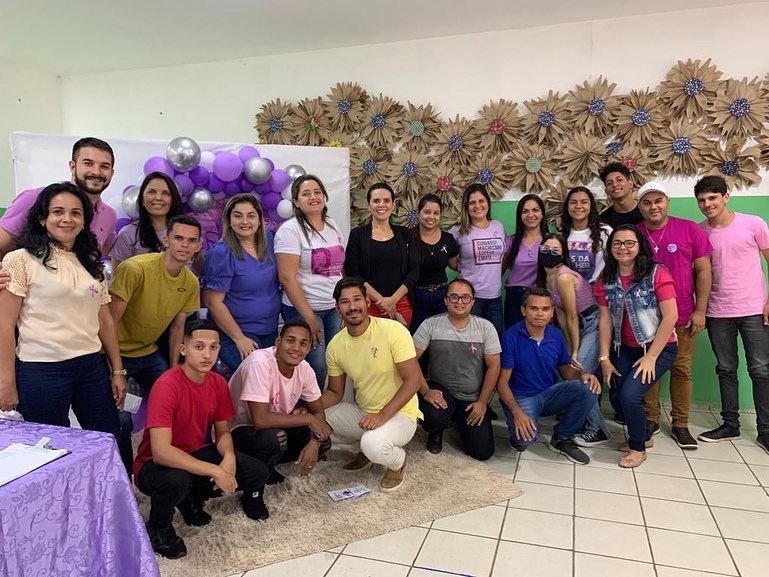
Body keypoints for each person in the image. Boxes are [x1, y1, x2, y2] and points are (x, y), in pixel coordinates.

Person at [0, 183, 125, 446]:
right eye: (58, 212)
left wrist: (117, 370)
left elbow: (105, 321)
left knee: (109, 439)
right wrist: (6, 381)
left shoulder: (91, 265)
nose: (67, 219)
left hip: (90, 367)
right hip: (41, 370)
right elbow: (5, 323)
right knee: (52, 448)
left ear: (84, 221)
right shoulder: (20, 260)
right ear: (42, 218)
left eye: (75, 213)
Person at [134, 319, 269, 560]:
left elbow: (223, 431)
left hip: (196, 452)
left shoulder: (217, 382)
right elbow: (161, 452)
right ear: (183, 349)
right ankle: (158, 526)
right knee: (176, 481)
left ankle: (191, 498)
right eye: (199, 347)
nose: (207, 354)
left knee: (256, 473)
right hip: (152, 464)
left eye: (213, 347)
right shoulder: (166, 385)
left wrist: (228, 458)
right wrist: (215, 471)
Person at [110, 214, 202, 474]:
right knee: (121, 420)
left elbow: (177, 328)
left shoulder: (190, 282)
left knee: (179, 403)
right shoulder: (135, 268)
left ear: (198, 246)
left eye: (191, 241)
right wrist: (116, 369)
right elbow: (109, 323)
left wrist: (174, 371)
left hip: (148, 352)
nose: (184, 245)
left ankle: (166, 460)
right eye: (179, 238)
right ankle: (125, 475)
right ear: (166, 240)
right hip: (114, 353)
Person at [322, 276, 423, 492]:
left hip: (401, 414)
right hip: (365, 412)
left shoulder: (393, 330)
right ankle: (368, 447)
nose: (352, 306)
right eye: (345, 302)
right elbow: (334, 392)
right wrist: (306, 410)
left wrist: (382, 416)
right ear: (337, 308)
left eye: (357, 299)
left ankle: (398, 462)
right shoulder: (335, 345)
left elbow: (413, 380)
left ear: (367, 302)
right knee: (319, 416)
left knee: (373, 445)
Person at [694, 176, 769, 453]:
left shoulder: (753, 224)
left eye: (712, 198)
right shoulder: (699, 231)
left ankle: (766, 431)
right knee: (726, 369)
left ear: (726, 196)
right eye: (702, 200)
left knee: (760, 370)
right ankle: (730, 425)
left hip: (753, 308)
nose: (707, 204)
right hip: (717, 311)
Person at [637, 181, 712, 449]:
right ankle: (651, 419)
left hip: (682, 314)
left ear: (668, 202)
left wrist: (700, 310)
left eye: (658, 201)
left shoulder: (689, 229)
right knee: (648, 368)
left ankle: (680, 424)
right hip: (645, 317)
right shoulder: (635, 233)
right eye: (647, 202)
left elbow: (704, 270)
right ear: (639, 206)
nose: (653, 207)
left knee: (681, 369)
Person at [596, 225, 678, 468]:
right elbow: (605, 320)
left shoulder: (657, 273)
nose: (623, 247)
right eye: (617, 243)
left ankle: (637, 447)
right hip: (625, 348)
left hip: (659, 348)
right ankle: (643, 434)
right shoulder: (606, 279)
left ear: (640, 246)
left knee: (630, 395)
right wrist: (604, 358)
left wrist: (651, 357)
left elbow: (671, 316)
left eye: (629, 243)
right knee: (616, 393)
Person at [496, 288, 600, 465]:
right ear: (523, 310)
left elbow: (566, 371)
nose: (540, 313)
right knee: (524, 441)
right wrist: (517, 412)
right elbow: (502, 383)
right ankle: (517, 431)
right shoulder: (510, 337)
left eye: (545, 309)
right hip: (521, 397)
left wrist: (584, 375)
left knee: (588, 387)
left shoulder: (556, 335)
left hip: (549, 395)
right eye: (534, 308)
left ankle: (561, 438)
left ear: (552, 312)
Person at [229, 319, 332, 482]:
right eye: (290, 340)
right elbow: (260, 421)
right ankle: (259, 472)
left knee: (324, 437)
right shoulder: (259, 363)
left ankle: (275, 459)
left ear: (308, 348)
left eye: (303, 343)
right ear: (278, 341)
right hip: (238, 431)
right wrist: (308, 418)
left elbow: (318, 412)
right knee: (275, 439)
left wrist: (315, 441)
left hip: (274, 425)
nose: (296, 348)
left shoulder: (305, 368)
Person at [536, 233, 610, 446]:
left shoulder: (563, 276)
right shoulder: (548, 276)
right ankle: (583, 421)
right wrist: (568, 347)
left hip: (593, 324)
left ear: (563, 254)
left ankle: (598, 429)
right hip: (580, 325)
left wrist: (575, 351)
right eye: (545, 249)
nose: (549, 254)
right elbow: (560, 314)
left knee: (579, 376)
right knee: (573, 372)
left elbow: (571, 316)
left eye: (555, 250)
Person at [413, 279, 499, 460]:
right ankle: (436, 431)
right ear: (446, 300)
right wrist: (426, 391)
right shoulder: (430, 324)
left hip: (471, 397)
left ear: (473, 301)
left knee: (482, 452)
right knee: (434, 417)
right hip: (440, 391)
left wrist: (482, 402)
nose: (460, 302)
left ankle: (459, 420)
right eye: (454, 297)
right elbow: (410, 360)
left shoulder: (486, 327)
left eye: (465, 297)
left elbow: (494, 367)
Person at [275, 175, 346, 388]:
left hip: (332, 308)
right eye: (306, 194)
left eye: (317, 192)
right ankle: (304, 407)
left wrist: (342, 304)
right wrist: (308, 317)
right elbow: (286, 277)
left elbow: (339, 268)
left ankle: (320, 404)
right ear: (296, 202)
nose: (313, 197)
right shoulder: (290, 230)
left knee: (333, 362)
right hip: (304, 309)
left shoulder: (332, 225)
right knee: (316, 367)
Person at [0, 137, 118, 258]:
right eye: (88, 164)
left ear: (112, 173)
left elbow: (96, 260)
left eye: (104, 166)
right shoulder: (34, 199)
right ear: (73, 167)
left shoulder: (109, 216)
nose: (96, 172)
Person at [203, 194, 280, 372]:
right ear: (229, 221)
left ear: (260, 220)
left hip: (270, 329)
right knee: (256, 378)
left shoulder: (269, 239)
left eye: (251, 215)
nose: (245, 221)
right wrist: (239, 338)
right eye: (238, 216)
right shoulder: (222, 252)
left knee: (274, 379)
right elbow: (213, 302)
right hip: (238, 332)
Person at [345, 183, 419, 327]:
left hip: (400, 304)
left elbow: (414, 271)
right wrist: (381, 301)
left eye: (386, 201)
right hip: (368, 305)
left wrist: (392, 300)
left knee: (398, 342)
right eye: (376, 201)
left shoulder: (405, 234)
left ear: (393, 205)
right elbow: (353, 273)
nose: (381, 205)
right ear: (368, 205)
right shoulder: (357, 235)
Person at [450, 184, 508, 335]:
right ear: (466, 206)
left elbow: (504, 258)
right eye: (472, 202)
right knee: (471, 342)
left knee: (495, 341)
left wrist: (492, 274)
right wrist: (468, 270)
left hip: (495, 298)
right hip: (469, 299)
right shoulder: (457, 231)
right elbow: (451, 261)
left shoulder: (498, 226)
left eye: (481, 201)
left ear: (488, 203)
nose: (477, 206)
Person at [110, 171, 185, 268]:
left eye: (166, 193)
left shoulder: (187, 231)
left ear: (173, 200)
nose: (158, 198)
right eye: (152, 192)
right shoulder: (128, 235)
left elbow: (198, 270)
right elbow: (118, 275)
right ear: (142, 200)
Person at [410, 193, 459, 334]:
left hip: (442, 296)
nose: (431, 217)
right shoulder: (408, 237)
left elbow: (455, 265)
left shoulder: (448, 239)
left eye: (436, 213)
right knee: (417, 337)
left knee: (441, 337)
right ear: (418, 213)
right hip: (415, 297)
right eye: (427, 212)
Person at [502, 193, 548, 330]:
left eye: (535, 210)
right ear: (520, 216)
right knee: (514, 335)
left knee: (538, 335)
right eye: (525, 211)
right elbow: (498, 271)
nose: (530, 215)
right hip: (514, 297)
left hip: (539, 296)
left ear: (542, 214)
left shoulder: (550, 241)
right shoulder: (511, 241)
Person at [559, 186, 612, 283]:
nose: (578, 206)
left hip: (598, 287)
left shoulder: (605, 232)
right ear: (567, 206)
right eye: (573, 202)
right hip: (568, 288)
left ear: (591, 206)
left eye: (584, 202)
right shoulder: (560, 234)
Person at [598, 162, 643, 229]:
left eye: (619, 180)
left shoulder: (646, 210)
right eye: (609, 183)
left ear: (630, 184)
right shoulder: (603, 221)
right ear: (606, 191)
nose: (615, 185)